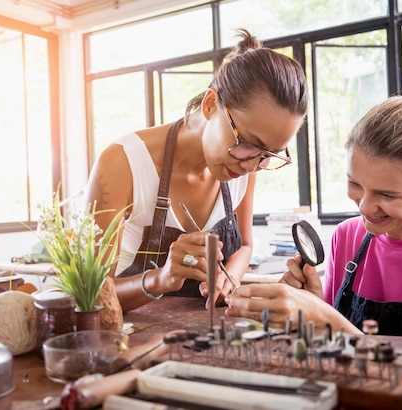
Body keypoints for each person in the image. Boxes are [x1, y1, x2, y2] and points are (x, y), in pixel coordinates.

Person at [84, 29, 309, 313]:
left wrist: (228, 281)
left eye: (268, 155)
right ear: (211, 104)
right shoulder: (122, 163)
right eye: (249, 144)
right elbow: (88, 296)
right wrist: (160, 279)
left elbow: (244, 246)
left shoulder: (243, 165)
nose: (253, 165)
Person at [225, 95, 402, 339]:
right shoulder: (348, 235)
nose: (365, 208)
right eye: (355, 184)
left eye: (387, 195)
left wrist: (322, 317)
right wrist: (313, 305)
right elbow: (334, 347)